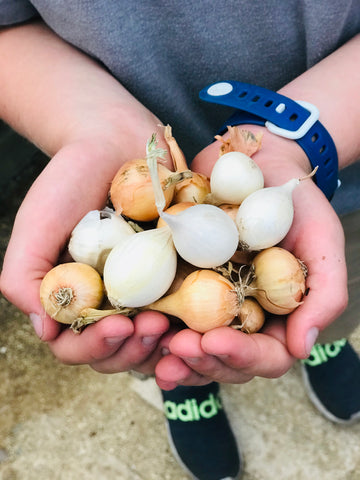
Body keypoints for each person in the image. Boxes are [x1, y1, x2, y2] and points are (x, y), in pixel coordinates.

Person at [0, 2, 359, 479]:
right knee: (158, 340)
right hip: (144, 144)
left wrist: (300, 140)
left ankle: (325, 339)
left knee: (331, 289)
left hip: (336, 176)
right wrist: (94, 126)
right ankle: (185, 385)